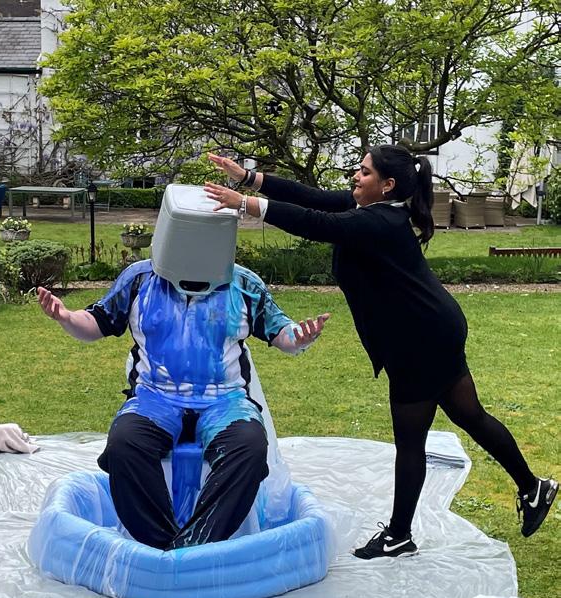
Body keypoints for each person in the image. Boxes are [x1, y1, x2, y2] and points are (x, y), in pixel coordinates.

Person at [204, 146, 557, 558]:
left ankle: (399, 535)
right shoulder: (368, 209)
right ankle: (533, 488)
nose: (356, 176)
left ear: (387, 185)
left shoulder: (381, 221)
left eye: (365, 171)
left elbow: (313, 222)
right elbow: (310, 198)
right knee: (468, 415)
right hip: (433, 328)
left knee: (411, 439)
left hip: (420, 340)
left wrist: (245, 204)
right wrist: (249, 178)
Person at [36, 195, 328, 550]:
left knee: (249, 448)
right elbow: (97, 322)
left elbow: (281, 332)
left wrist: (299, 337)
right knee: (125, 445)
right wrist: (66, 317)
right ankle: (160, 543)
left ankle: (197, 543)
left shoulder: (244, 285)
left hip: (225, 402)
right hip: (154, 398)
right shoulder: (139, 280)